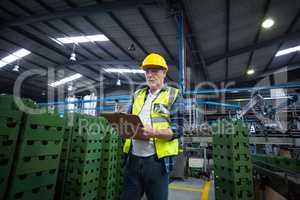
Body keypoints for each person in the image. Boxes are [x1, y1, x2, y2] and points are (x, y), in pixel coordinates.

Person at [121, 53, 184, 200]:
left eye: (154, 70)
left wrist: (154, 132)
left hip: (157, 162)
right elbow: (126, 117)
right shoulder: (137, 95)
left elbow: (178, 129)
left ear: (164, 72)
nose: (150, 74)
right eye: (147, 71)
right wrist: (120, 119)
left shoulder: (174, 95)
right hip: (133, 159)